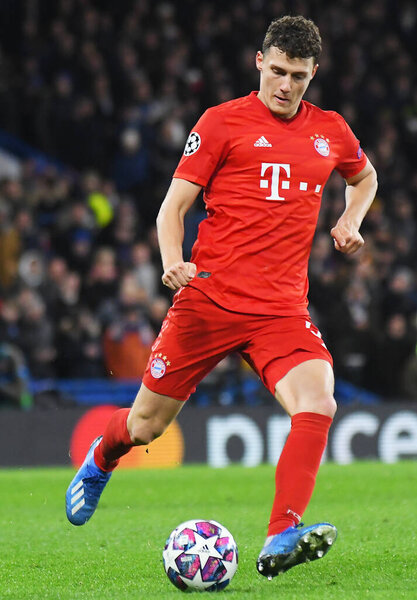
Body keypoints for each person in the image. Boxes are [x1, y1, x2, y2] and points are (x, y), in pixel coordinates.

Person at [66, 15, 377, 579]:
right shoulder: (220, 123)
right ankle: (100, 458)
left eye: (299, 77)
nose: (286, 86)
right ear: (259, 62)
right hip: (207, 302)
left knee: (319, 402)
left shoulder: (331, 129)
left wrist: (352, 219)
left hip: (281, 310)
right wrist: (171, 263)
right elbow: (171, 209)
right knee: (144, 428)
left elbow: (365, 176)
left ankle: (283, 531)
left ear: (313, 74)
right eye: (277, 71)